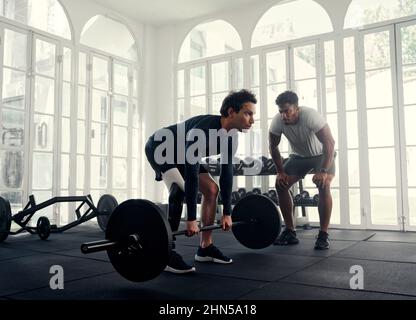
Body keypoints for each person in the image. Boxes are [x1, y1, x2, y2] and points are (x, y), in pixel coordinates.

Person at [145, 89, 257, 273]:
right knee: (178, 189)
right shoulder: (203, 130)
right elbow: (191, 175)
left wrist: (228, 213)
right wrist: (190, 219)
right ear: (231, 112)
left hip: (181, 154)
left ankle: (205, 247)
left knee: (212, 190)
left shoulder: (232, 137)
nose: (252, 120)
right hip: (160, 147)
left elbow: (227, 173)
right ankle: (164, 254)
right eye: (248, 113)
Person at [268, 91, 336, 250]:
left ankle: (323, 235)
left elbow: (330, 144)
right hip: (298, 157)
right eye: (281, 112)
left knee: (324, 184)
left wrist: (323, 170)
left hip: (322, 155)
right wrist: (280, 172)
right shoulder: (278, 121)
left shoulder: (311, 116)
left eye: (287, 111)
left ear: (297, 108)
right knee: (281, 185)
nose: (284, 115)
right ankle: (290, 231)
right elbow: (273, 147)